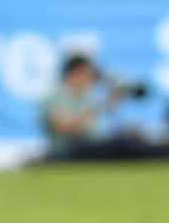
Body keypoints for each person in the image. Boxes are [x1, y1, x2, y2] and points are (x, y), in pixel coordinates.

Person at [39, 53, 169, 161]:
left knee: (130, 139)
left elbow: (98, 131)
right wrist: (100, 103)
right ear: (73, 73)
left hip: (91, 145)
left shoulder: (85, 97)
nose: (90, 80)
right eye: (87, 74)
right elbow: (66, 127)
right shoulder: (54, 96)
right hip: (69, 151)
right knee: (123, 146)